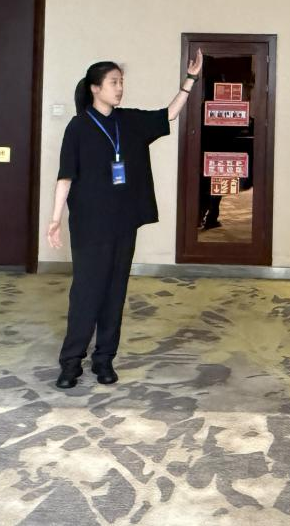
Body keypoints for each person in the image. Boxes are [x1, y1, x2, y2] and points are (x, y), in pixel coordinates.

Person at [47, 50, 203, 387]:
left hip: (123, 222)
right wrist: (55, 218)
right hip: (90, 225)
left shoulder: (128, 121)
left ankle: (104, 359)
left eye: (121, 82)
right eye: (113, 82)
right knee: (86, 292)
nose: (120, 88)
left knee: (115, 291)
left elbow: (169, 114)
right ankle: (71, 362)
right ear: (95, 88)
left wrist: (190, 80)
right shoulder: (78, 127)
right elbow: (65, 176)